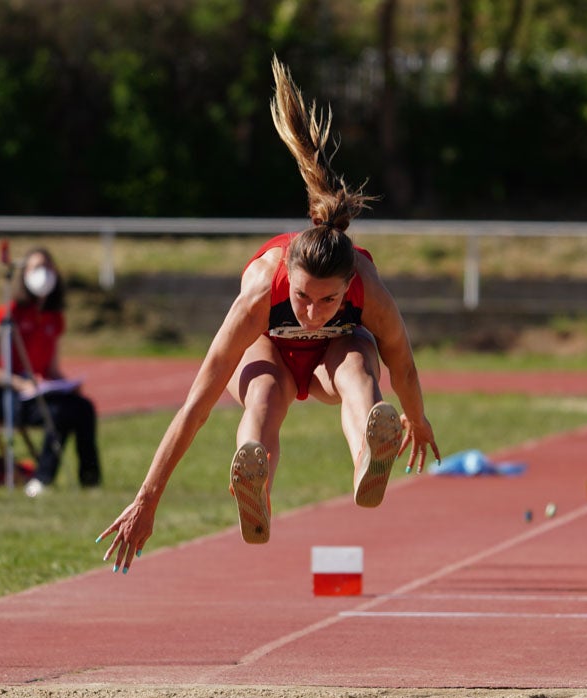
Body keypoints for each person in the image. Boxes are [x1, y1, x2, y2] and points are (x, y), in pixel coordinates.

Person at [98, 57, 440, 574]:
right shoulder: (261, 289)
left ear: (348, 287)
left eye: (328, 301)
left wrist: (415, 418)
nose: (311, 311)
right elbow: (198, 402)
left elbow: (405, 367)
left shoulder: (368, 288)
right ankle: (253, 473)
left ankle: (369, 454)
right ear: (288, 276)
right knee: (261, 392)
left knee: (358, 369)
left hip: (334, 356)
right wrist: (148, 497)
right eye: (302, 296)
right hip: (270, 353)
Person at [0, 247, 101, 497]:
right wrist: (19, 383)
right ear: (24, 274)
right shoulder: (7, 314)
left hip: (43, 392)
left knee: (83, 407)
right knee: (57, 414)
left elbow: (52, 369)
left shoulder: (54, 318)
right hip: (11, 396)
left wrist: (67, 385)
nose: (43, 274)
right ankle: (43, 478)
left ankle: (90, 478)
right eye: (36, 268)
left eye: (47, 267)